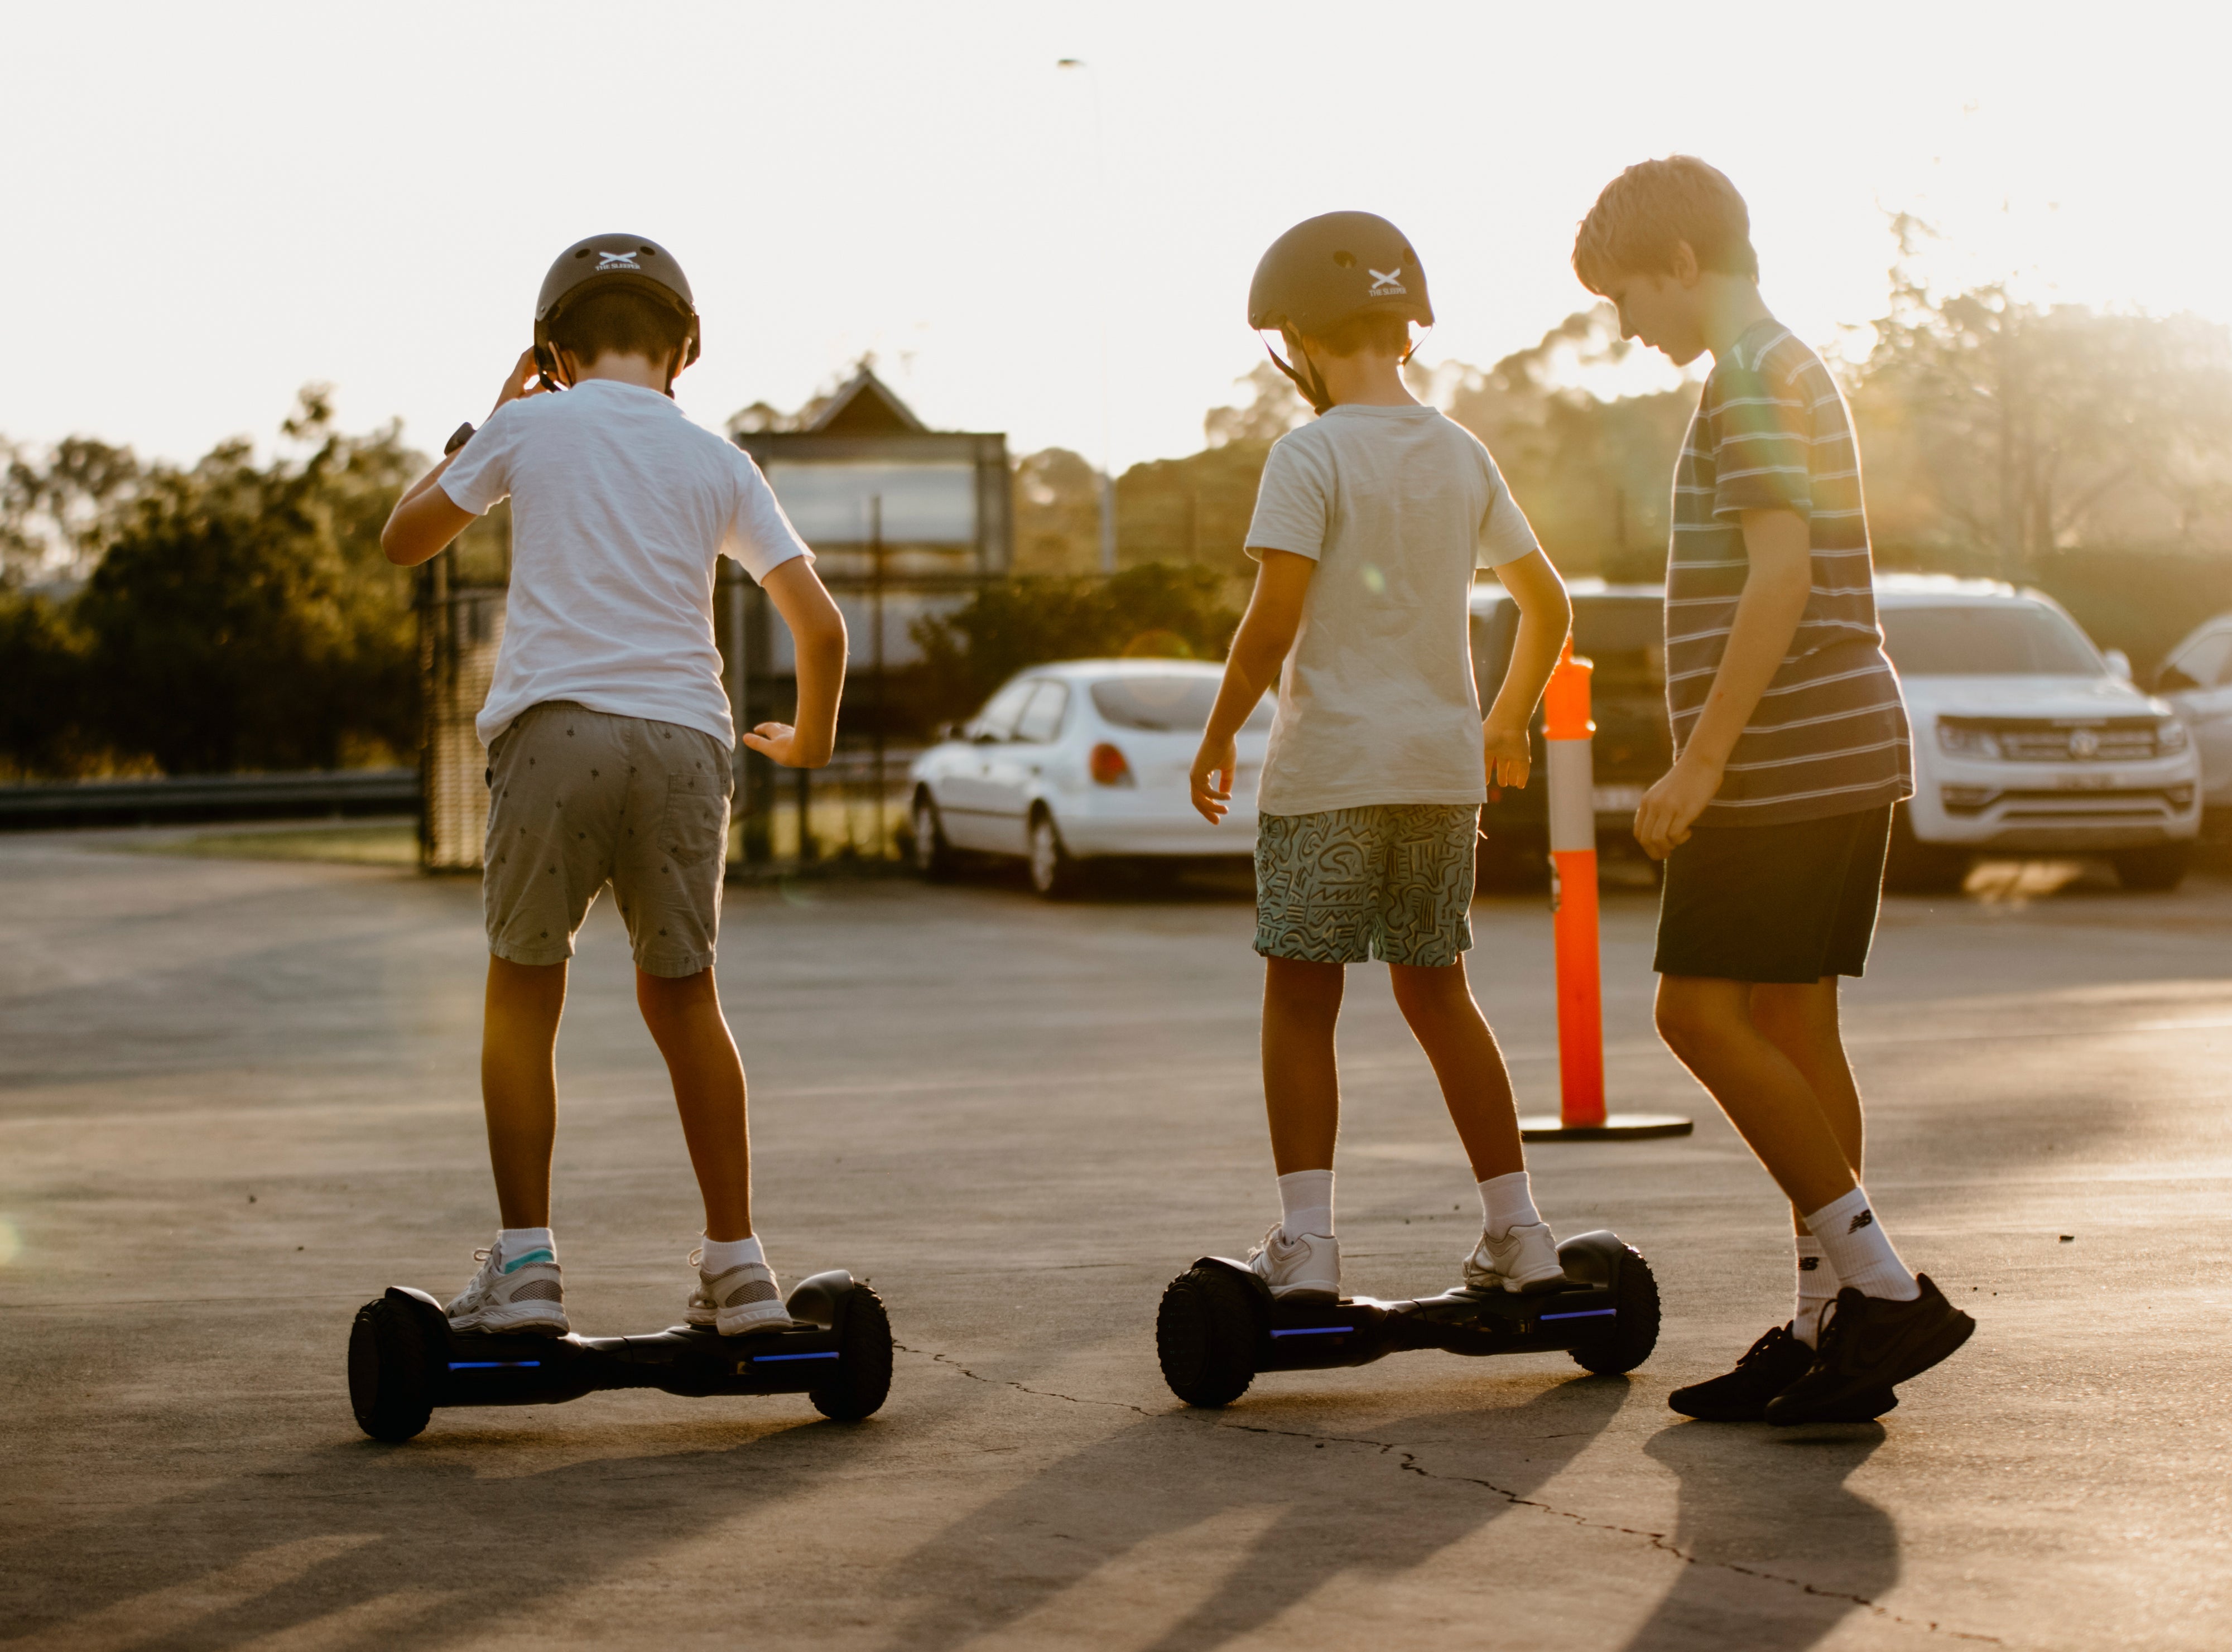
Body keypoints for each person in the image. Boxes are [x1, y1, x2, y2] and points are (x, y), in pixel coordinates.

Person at [379, 233, 846, 1338]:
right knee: (685, 996)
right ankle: (739, 1269)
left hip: (558, 733)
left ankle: (529, 1266)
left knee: (523, 988)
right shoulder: (717, 458)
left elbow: (404, 540)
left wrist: (486, 417)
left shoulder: (529, 423)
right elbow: (818, 622)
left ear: (552, 349)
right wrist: (811, 740)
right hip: (689, 741)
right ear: (684, 351)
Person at [1571, 158, 1973, 1424]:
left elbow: (1780, 576)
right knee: (1795, 1032)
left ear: (1681, 264)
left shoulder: (1748, 375)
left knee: (1691, 1015)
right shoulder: (1784, 365)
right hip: (1838, 746)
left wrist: (1700, 757)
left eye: (1627, 294)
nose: (1626, 324)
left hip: (1785, 758)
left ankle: (1880, 1287)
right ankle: (1822, 1327)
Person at [1189, 211, 1575, 1306]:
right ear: (1404, 328)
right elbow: (1546, 605)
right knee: (1439, 992)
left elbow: (1270, 623)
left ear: (1298, 341)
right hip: (1441, 769)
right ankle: (1519, 1230)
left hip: (1332, 772)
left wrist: (1219, 730)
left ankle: (1306, 1245)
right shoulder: (1461, 452)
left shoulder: (1308, 452)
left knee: (1301, 997)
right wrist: (1505, 722)